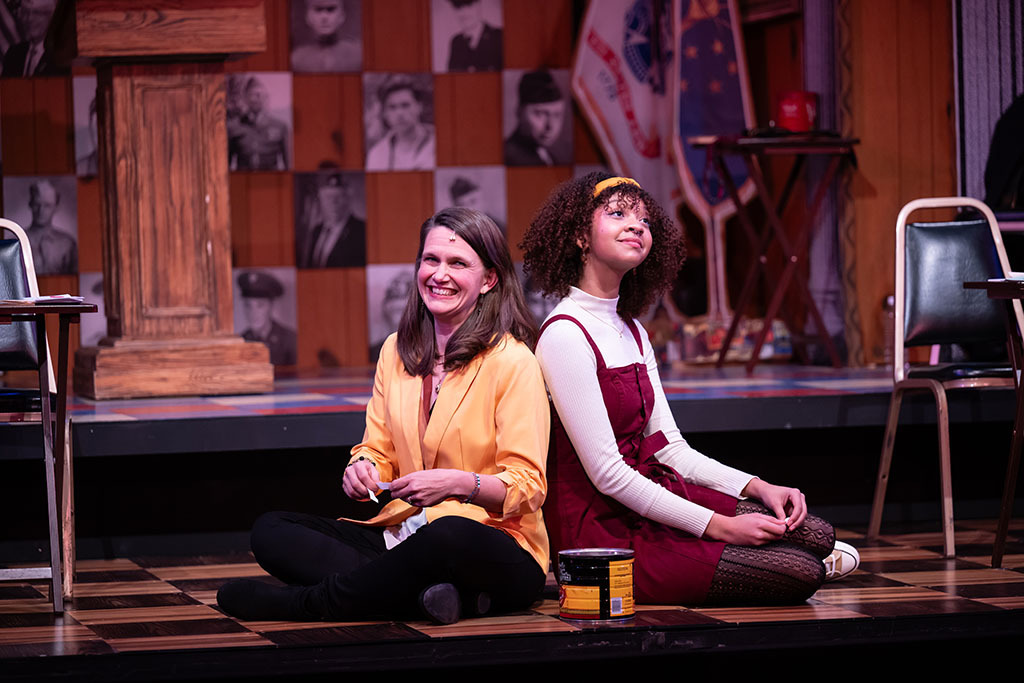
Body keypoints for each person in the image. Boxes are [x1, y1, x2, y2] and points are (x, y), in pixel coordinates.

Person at [521, 173, 859, 606]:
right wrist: (719, 525)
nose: (636, 226)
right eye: (618, 214)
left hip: (651, 493)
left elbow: (672, 449)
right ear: (580, 237)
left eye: (644, 219)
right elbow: (608, 475)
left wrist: (757, 486)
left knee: (816, 532)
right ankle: (778, 562)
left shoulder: (633, 330)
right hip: (604, 527)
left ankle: (775, 557)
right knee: (803, 571)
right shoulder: (564, 334)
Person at [218, 208, 549, 624]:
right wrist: (363, 468)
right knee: (271, 530)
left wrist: (461, 484)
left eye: (458, 263)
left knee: (445, 535)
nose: (439, 274)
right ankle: (439, 598)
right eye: (431, 260)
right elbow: (376, 448)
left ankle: (307, 604)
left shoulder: (513, 361)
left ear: (489, 280)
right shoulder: (396, 351)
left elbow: (529, 486)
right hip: (404, 534)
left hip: (497, 545)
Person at [366, 76, 436, 171]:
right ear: (385, 113)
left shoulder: (440, 142)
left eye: (405, 105)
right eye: (392, 107)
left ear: (419, 107)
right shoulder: (376, 155)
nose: (399, 113)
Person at [298, 172, 366, 268]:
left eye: (339, 196)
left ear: (348, 199)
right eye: (328, 197)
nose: (333, 202)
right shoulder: (316, 230)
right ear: (322, 201)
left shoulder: (361, 230)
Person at [504, 70, 566, 167]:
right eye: (540, 114)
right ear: (519, 112)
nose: (550, 126)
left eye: (556, 115)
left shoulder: (548, 156)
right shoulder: (509, 157)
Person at [228, 77, 289, 171]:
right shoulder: (233, 128)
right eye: (254, 95)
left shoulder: (280, 127)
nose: (258, 98)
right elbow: (226, 165)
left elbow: (288, 165)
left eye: (261, 95)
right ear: (245, 97)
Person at [238, 271, 298, 366]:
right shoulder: (240, 341)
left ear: (271, 306)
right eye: (248, 305)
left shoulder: (289, 340)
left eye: (260, 305)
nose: (253, 312)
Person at [291, 0, 361, 73]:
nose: (324, 17)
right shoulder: (296, 59)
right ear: (308, 17)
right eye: (318, 10)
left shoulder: (358, 55)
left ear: (342, 16)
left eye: (331, 9)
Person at [24, 179, 77, 275]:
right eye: (37, 204)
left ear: (56, 207)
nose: (41, 211)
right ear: (30, 204)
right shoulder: (17, 241)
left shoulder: (68, 244)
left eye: (47, 206)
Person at [1, 0, 66, 78]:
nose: (29, 19)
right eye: (25, 13)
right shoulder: (13, 54)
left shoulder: (61, 57)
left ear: (51, 17)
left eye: (36, 13)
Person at [445, 0, 501, 72]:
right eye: (457, 7)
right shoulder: (456, 42)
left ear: (479, 5)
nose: (463, 12)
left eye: (468, 5)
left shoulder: (499, 37)